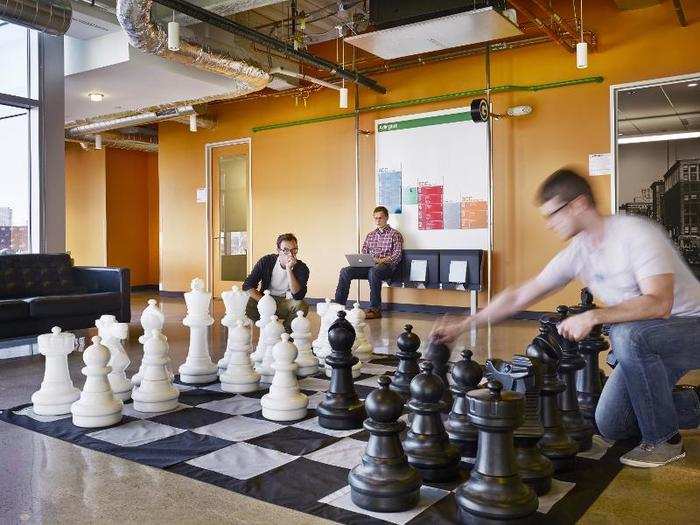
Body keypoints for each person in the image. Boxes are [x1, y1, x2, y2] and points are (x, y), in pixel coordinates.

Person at [432, 167, 700, 468]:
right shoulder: (580, 252)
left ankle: (664, 441)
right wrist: (465, 324)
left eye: (553, 214)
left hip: (689, 328)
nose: (549, 224)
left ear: (578, 205)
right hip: (649, 342)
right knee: (611, 423)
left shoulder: (635, 234)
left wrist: (594, 316)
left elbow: (659, 303)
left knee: (628, 334)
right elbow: (521, 295)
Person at [334, 206, 404, 319]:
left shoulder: (395, 235)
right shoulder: (370, 235)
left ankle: (375, 309)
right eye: (375, 218)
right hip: (370, 266)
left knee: (374, 271)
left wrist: (380, 260)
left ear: (387, 218)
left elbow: (397, 256)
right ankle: (338, 306)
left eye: (380, 218)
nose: (378, 221)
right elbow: (364, 254)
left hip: (387, 268)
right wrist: (362, 260)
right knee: (345, 271)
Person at [243, 233, 310, 332]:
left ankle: (286, 333)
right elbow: (248, 285)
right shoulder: (266, 261)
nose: (291, 254)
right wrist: (265, 302)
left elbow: (297, 295)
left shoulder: (302, 268)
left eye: (294, 250)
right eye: (286, 250)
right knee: (245, 302)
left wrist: (288, 269)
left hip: (286, 302)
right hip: (266, 298)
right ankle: (268, 328)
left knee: (301, 305)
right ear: (278, 251)